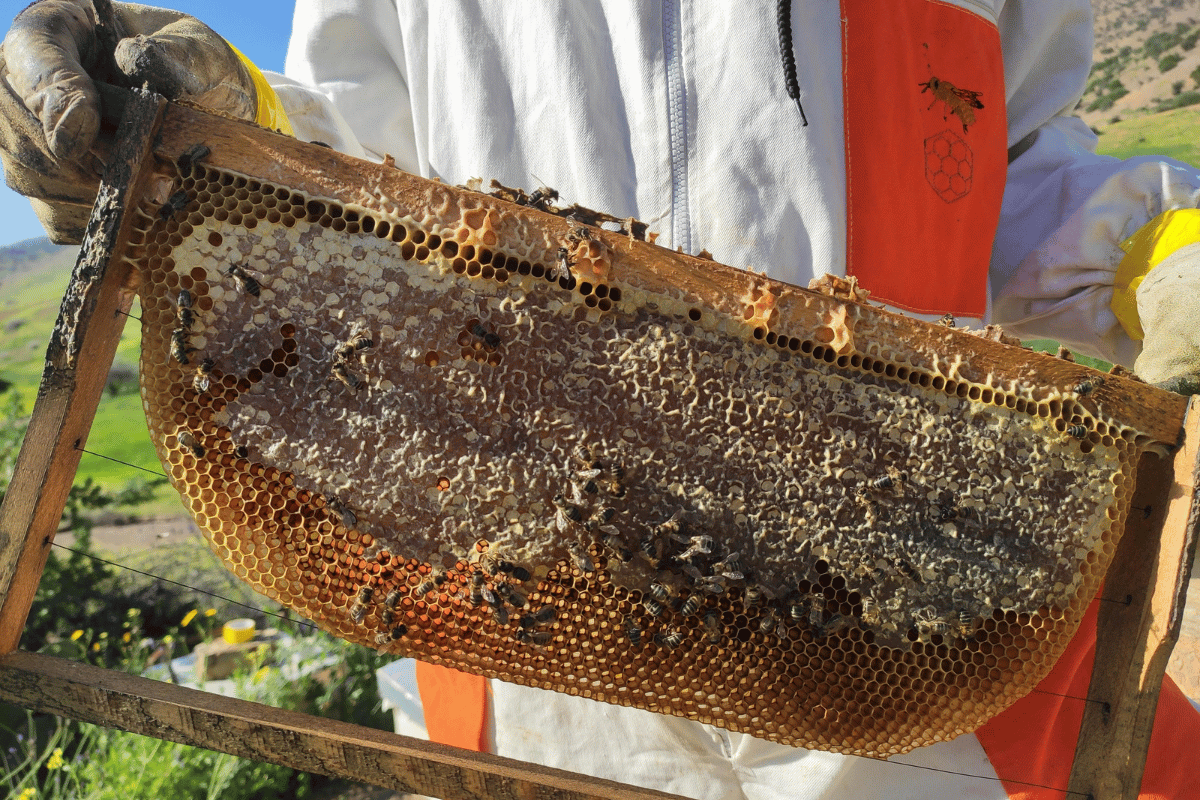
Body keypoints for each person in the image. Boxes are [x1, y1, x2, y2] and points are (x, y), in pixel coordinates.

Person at [2, 2, 1199, 797]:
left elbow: (1018, 151)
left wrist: (1162, 248)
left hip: (923, 660)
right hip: (524, 651)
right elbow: (356, 170)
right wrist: (226, 129)